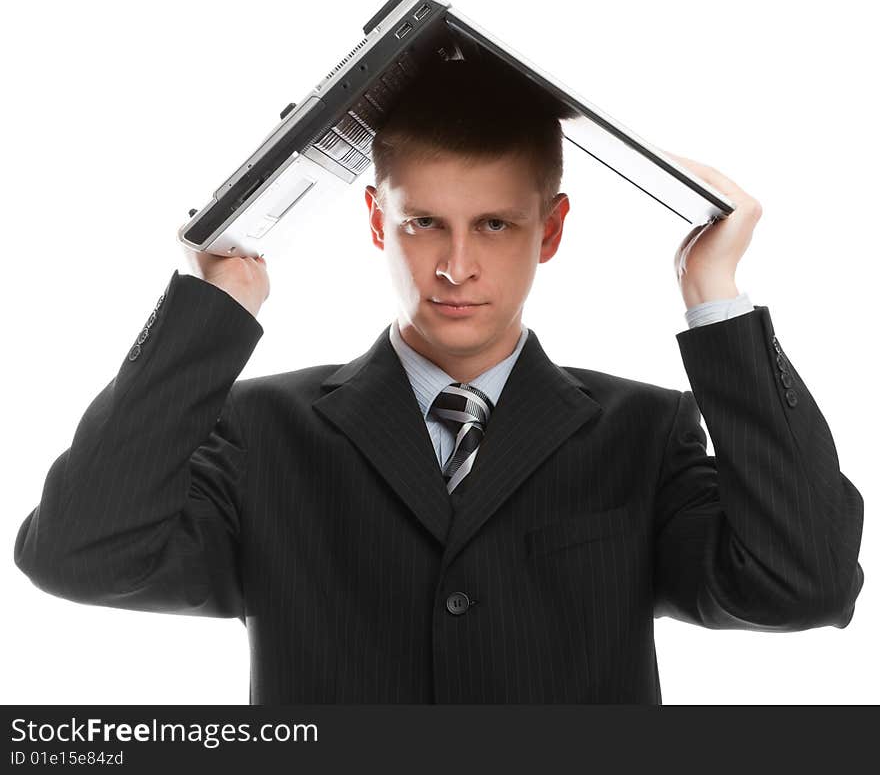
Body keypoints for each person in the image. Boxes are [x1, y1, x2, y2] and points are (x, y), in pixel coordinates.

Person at [14, 57, 865, 704]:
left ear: (551, 229)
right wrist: (209, 308)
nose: (457, 266)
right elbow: (79, 556)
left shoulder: (645, 433)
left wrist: (717, 302)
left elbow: (802, 586)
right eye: (425, 223)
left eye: (495, 224)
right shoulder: (260, 430)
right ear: (379, 220)